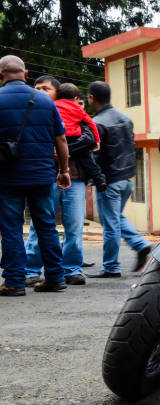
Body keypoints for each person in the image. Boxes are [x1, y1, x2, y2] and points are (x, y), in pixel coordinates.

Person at [0, 56, 71, 296]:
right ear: (26, 74)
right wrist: (64, 170)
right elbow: (60, 139)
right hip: (42, 176)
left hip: (7, 178)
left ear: (1, 76)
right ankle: (55, 277)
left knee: (11, 229)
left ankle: (14, 282)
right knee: (46, 226)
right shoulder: (44, 101)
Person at [24, 77, 93, 287]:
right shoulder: (35, 114)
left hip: (76, 179)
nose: (41, 92)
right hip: (45, 178)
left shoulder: (76, 114)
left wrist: (63, 151)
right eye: (37, 89)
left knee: (74, 227)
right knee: (39, 226)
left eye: (46, 88)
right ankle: (31, 270)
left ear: (58, 92)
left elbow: (89, 139)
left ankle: (71, 268)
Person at [86, 81, 151, 278]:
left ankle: (111, 267)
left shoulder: (98, 123)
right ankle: (141, 245)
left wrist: (93, 180)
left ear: (91, 98)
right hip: (127, 179)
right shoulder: (125, 118)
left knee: (111, 223)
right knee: (114, 218)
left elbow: (95, 156)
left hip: (109, 181)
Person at [55, 82, 106, 191]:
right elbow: (91, 123)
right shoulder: (77, 108)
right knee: (87, 158)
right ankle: (100, 179)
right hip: (75, 135)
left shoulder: (53, 105)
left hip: (60, 135)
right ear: (75, 98)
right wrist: (97, 140)